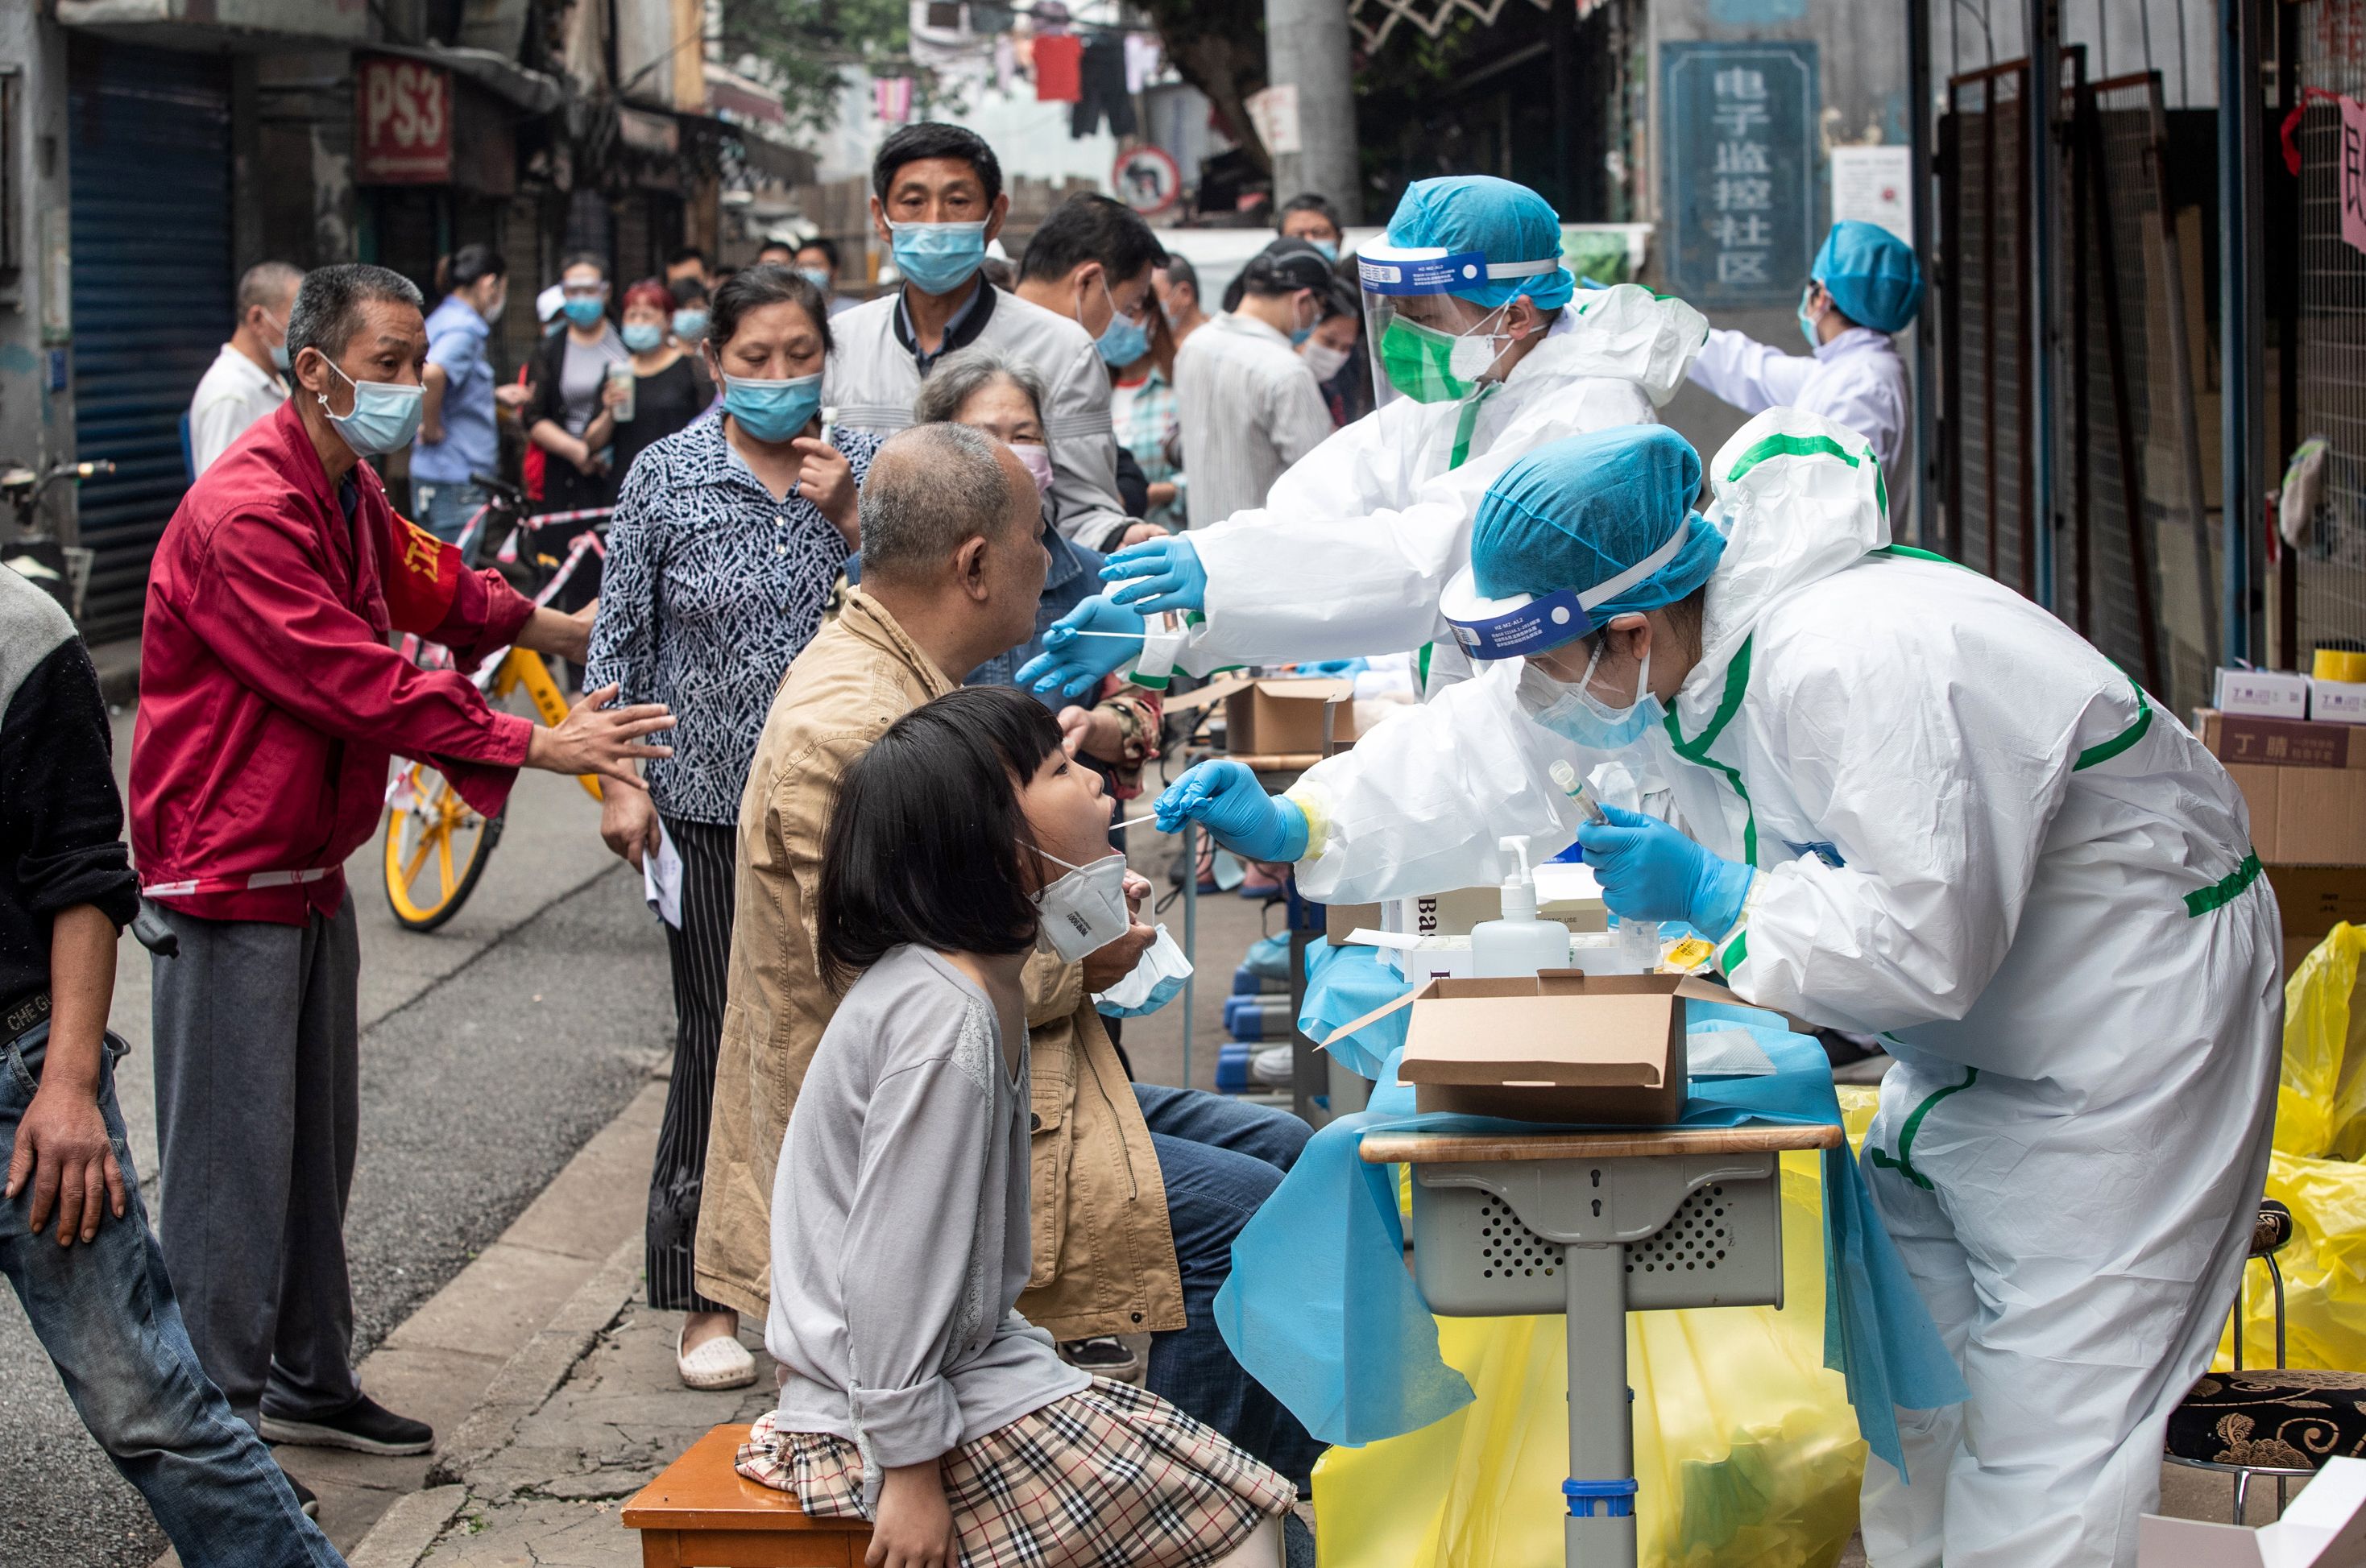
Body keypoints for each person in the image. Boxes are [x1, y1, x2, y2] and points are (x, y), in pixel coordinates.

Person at [1153, 413, 2281, 1568]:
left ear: (1629, 630)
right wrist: (1308, 821)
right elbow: (1504, 747)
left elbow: (1922, 938)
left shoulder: (1855, 658)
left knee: (2055, 1416)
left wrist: (1720, 893)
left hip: (2127, 1021)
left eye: (1554, 660)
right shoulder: (1664, 651)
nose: (1542, 693)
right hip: (1969, 1044)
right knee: (1927, 1392)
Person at [696, 424, 1323, 1501]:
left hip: (1021, 1070)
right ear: (977, 562)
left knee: (1291, 1151)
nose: (1054, 560)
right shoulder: (851, 724)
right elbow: (911, 980)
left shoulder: (915, 678)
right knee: (1253, 1222)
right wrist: (1095, 942)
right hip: (915, 1122)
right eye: (1040, 537)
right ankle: (1193, 1501)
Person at [131, 263, 676, 1465]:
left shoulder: (343, 487)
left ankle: (306, 1374)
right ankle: (217, 1439)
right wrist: (541, 740)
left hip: (303, 860)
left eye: (417, 357)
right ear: (314, 369)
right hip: (227, 870)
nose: (411, 382)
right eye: (388, 362)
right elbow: (352, 673)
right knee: (230, 1173)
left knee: (314, 1149)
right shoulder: (249, 510)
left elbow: (429, 577)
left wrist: (555, 626)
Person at [733, 685, 1294, 1568]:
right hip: (876, 1420)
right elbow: (891, 1269)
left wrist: (1089, 914)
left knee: (1244, 1494)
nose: (1097, 779)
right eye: (1061, 769)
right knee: (1240, 1520)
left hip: (956, 1378)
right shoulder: (943, 1020)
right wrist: (911, 1471)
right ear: (1001, 842)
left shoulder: (975, 977)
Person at [1019, 173, 1705, 700]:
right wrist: (1164, 614)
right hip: (1477, 717)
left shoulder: (1588, 413)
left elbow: (1426, 561)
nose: (1404, 334)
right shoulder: (1470, 387)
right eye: (1397, 312)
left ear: (1516, 314)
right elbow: (1321, 503)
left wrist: (1218, 576)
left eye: (1423, 313)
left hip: (1580, 724)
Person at [0, 561, 346, 1560]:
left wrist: (67, 1087)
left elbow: (82, 878)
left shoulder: (25, 636)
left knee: (147, 1405)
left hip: (24, 1091)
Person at [586, 266, 872, 1392]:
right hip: (704, 810)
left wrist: (851, 516)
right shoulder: (665, 476)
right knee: (717, 1036)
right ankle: (706, 1293)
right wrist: (622, 781)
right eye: (752, 357)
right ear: (716, 364)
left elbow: (913, 610)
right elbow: (617, 641)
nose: (775, 375)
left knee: (850, 1039)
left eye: (796, 353)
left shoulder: (861, 474)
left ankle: (841, 1284)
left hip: (846, 810)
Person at [825, 124, 1151, 555]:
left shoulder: (1063, 350)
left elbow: (1083, 511)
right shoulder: (841, 344)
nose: (935, 222)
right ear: (881, 218)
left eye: (958, 202)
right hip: (871, 604)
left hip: (1014, 609)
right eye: (913, 202)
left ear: (994, 216)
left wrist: (1120, 536)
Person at [917, 349, 1162, 801]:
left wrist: (1092, 726)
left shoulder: (1097, 578)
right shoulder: (889, 583)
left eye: (1025, 435)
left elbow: (1143, 709)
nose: (1010, 454)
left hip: (1076, 842)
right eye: (985, 437)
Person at [1686, 218, 1918, 478]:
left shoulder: (1863, 384)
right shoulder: (1848, 370)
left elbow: (1830, 501)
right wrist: (1670, 330)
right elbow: (1750, 369)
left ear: (1821, 297)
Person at [1173, 240, 1336, 531]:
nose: (1316, 320)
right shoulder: (1286, 372)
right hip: (1265, 558)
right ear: (1303, 301)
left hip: (1202, 550)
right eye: (1319, 309)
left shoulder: (1193, 346)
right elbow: (1325, 485)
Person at [412, 243, 510, 542]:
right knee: (450, 579)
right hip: (456, 474)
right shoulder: (465, 328)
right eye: (501, 288)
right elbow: (433, 373)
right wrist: (431, 427)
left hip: (435, 473)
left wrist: (491, 396)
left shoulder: (441, 318)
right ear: (489, 284)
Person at [527, 252, 629, 519]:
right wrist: (577, 452)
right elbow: (534, 416)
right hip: (567, 474)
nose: (581, 298)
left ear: (606, 292)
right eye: (573, 291)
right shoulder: (548, 350)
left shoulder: (626, 344)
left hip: (621, 471)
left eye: (589, 290)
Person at [189, 260, 303, 476]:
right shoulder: (229, 395)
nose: (304, 335)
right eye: (295, 323)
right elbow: (220, 494)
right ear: (258, 319)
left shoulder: (269, 379)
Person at [607, 277, 711, 482]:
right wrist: (607, 411)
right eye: (632, 316)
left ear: (668, 320)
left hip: (682, 477)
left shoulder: (692, 367)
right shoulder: (617, 371)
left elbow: (712, 419)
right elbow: (593, 442)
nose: (638, 323)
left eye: (647, 316)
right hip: (629, 479)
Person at [1109, 309, 1183, 531]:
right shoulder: (1090, 393)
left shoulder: (1176, 391)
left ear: (1152, 322)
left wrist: (1153, 494)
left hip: (1167, 533)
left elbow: (1205, 473)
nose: (1118, 325)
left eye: (1130, 313)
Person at [792, 236, 856, 316]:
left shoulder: (853, 310)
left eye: (815, 265)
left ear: (835, 271)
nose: (807, 271)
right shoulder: (792, 312)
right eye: (801, 266)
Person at [1153, 254, 1208, 345]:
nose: (1148, 305)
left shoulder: (1215, 345)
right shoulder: (1160, 347)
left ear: (1185, 293)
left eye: (1155, 295)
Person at [1275, 192, 1346, 260]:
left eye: (1320, 233)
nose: (1309, 241)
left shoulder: (1353, 271)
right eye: (1297, 236)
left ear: (1339, 239)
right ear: (1280, 242)